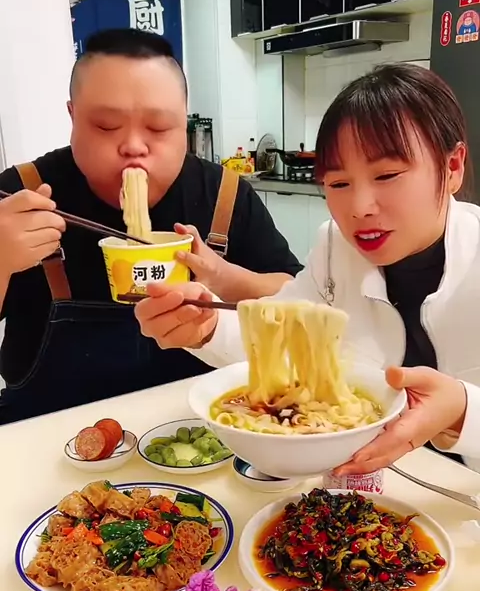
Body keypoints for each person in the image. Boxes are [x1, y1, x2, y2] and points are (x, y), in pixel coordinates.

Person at [134, 63, 480, 473]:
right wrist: (204, 324)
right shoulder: (335, 247)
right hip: (368, 484)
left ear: (452, 167)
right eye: (338, 183)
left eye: (387, 175)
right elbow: (278, 333)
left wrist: (463, 411)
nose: (360, 208)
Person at [0, 28, 302, 424]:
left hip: (198, 428)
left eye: (159, 128)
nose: (134, 146)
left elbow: (296, 297)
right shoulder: (19, 195)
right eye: (106, 125)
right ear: (72, 116)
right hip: (46, 428)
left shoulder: (224, 195)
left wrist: (225, 277)